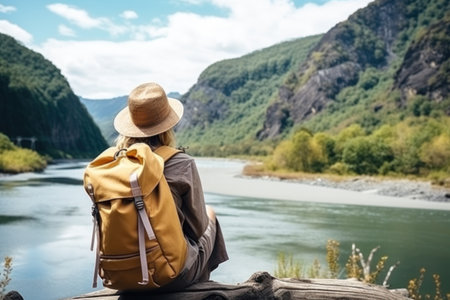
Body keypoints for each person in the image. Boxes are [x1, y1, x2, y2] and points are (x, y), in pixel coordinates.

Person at [112, 82, 228, 290]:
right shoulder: (181, 163)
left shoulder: (115, 165)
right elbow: (197, 228)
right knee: (210, 214)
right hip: (170, 276)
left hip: (121, 276)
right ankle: (202, 289)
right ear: (167, 126)